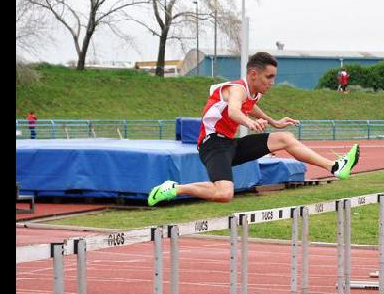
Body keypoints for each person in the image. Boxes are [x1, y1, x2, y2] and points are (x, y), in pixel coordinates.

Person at [147, 52, 361, 206]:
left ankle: (335, 167)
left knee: (284, 137)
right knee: (224, 194)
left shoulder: (254, 92)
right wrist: (248, 123)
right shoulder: (236, 89)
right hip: (212, 146)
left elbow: (252, 106)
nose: (273, 82)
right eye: (269, 77)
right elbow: (234, 110)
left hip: (231, 144)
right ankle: (174, 188)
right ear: (253, 74)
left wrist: (273, 121)